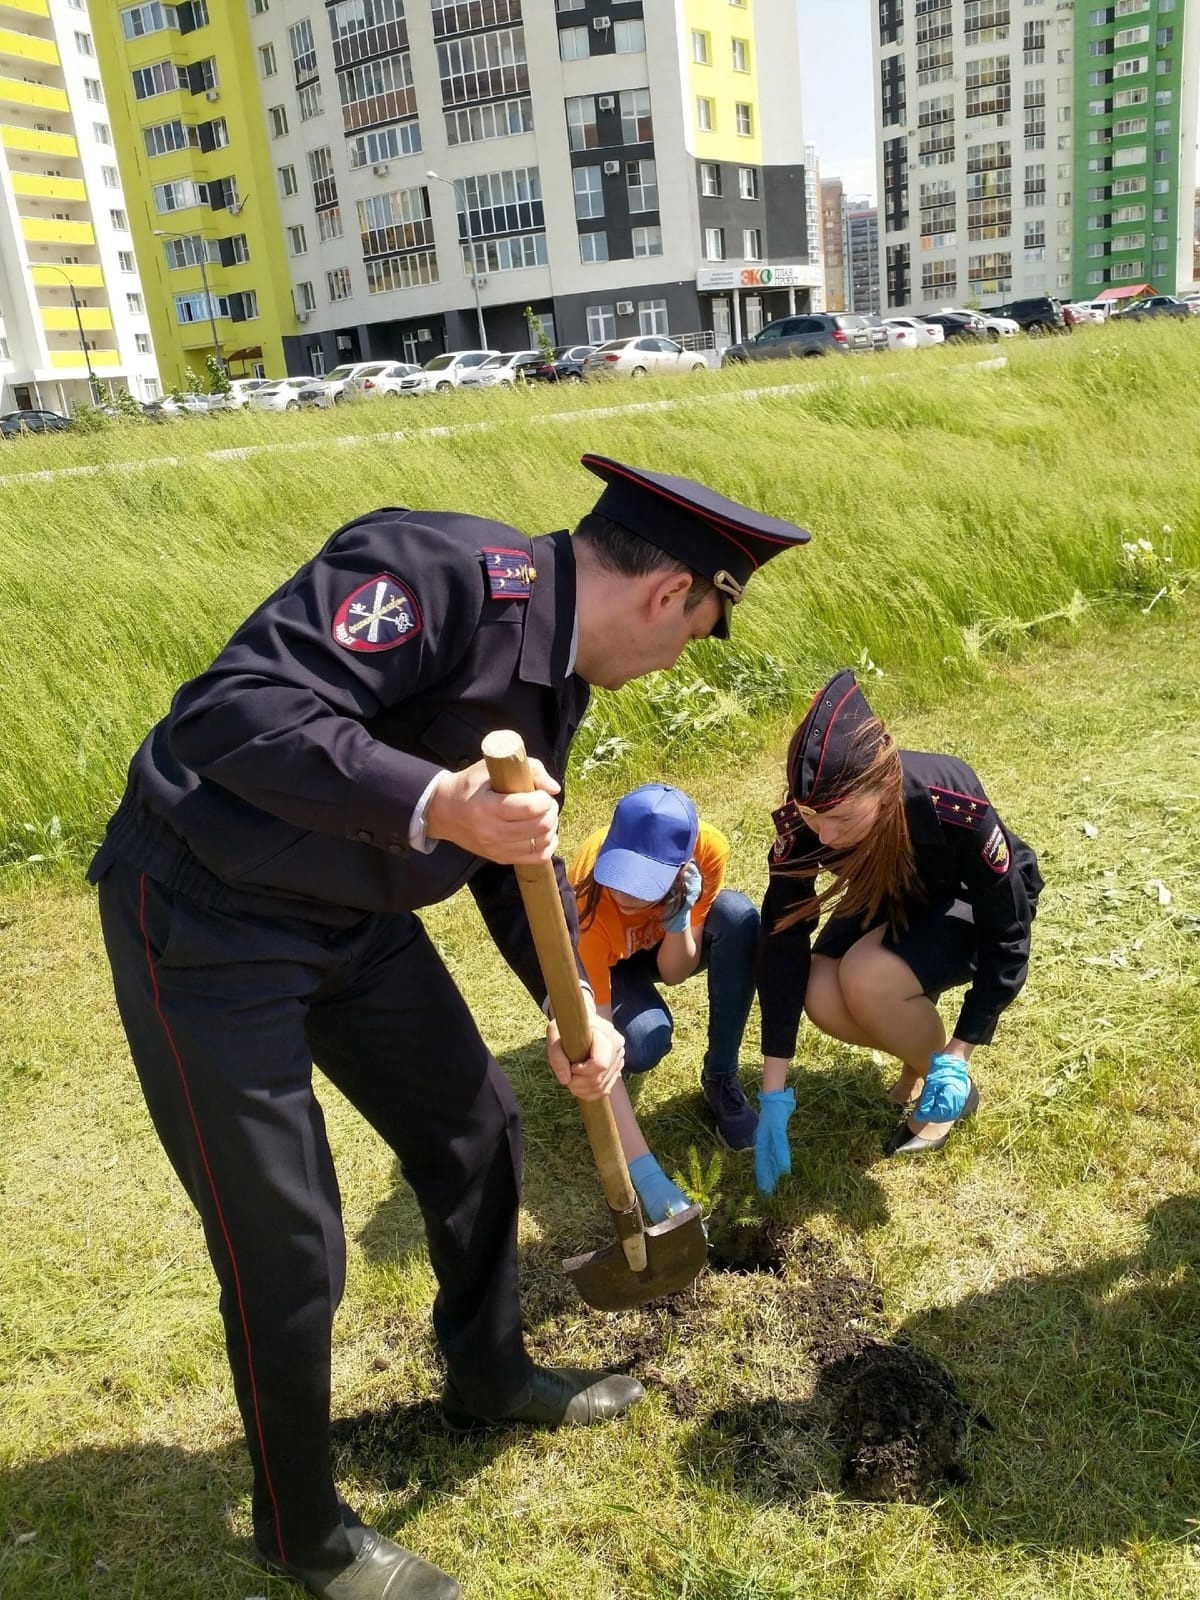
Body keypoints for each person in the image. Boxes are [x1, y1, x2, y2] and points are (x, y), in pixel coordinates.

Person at [87, 452, 810, 1600]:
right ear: (671, 595)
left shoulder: (554, 674)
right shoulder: (433, 574)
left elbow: (507, 863)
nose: (678, 660)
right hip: (206, 913)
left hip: (355, 918)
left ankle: (487, 1372)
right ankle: (303, 1531)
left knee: (477, 1125)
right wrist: (433, 801)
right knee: (292, 1244)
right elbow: (234, 714)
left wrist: (578, 1011)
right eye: (695, 633)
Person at [754, 668, 1042, 1194]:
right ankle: (917, 1057)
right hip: (889, 895)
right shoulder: (805, 830)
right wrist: (773, 1094)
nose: (825, 835)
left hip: (965, 902)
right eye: (810, 816)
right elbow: (782, 945)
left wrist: (961, 1052)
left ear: (881, 784)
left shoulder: (951, 800)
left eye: (840, 818)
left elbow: (1008, 927)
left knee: (868, 977)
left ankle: (944, 1082)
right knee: (818, 989)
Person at [568, 784, 761, 1220]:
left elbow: (675, 972)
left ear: (682, 866)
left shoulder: (708, 852)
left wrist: (678, 924)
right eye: (620, 872)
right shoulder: (585, 898)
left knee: (737, 916)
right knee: (642, 1042)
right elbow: (595, 1046)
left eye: (646, 882)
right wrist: (646, 1174)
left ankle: (721, 1077)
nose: (627, 893)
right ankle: (634, 1025)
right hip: (611, 965)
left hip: (663, 946)